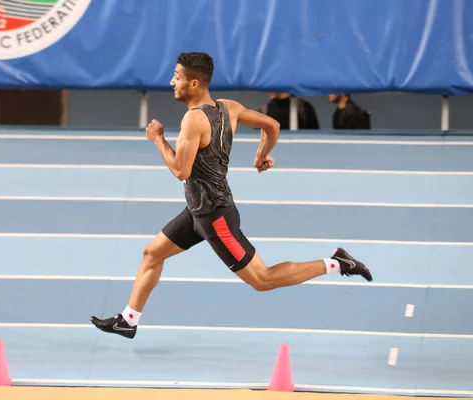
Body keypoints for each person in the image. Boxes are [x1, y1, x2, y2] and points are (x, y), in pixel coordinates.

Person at [91, 52, 373, 339]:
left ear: (194, 84)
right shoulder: (230, 108)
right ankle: (129, 319)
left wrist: (158, 139)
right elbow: (272, 126)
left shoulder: (193, 121)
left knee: (263, 279)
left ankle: (338, 262)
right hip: (198, 211)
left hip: (215, 217)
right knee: (151, 253)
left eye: (177, 77)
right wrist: (262, 155)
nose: (171, 82)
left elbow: (180, 171)